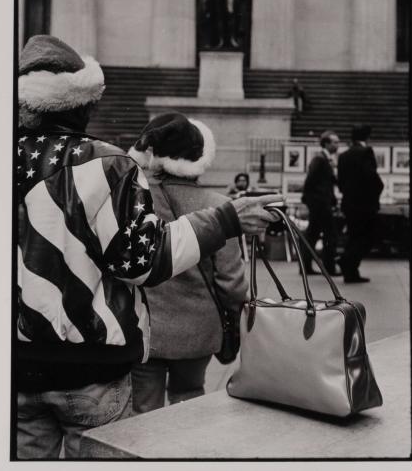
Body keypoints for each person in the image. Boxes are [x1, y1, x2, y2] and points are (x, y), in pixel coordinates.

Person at [16, 35, 280, 459]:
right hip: (90, 366)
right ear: (86, 105)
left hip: (17, 364)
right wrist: (227, 219)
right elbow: (142, 260)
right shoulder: (107, 165)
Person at [128, 113, 247, 413]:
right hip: (198, 327)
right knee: (190, 400)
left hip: (145, 328)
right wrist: (234, 318)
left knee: (144, 409)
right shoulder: (219, 205)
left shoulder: (134, 201)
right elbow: (231, 282)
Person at [337, 124, 384, 283]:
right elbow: (371, 176)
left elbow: (341, 181)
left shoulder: (343, 155)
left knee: (354, 235)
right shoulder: (366, 152)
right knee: (367, 237)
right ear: (367, 136)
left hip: (349, 202)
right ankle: (347, 262)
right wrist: (379, 188)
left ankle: (351, 270)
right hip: (365, 204)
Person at [301, 131, 340, 276]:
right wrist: (311, 199)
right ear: (326, 143)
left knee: (313, 234)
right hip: (320, 203)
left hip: (319, 202)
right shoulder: (320, 159)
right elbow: (311, 180)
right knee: (330, 234)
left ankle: (305, 267)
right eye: (335, 142)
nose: (337, 145)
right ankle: (329, 267)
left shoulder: (324, 158)